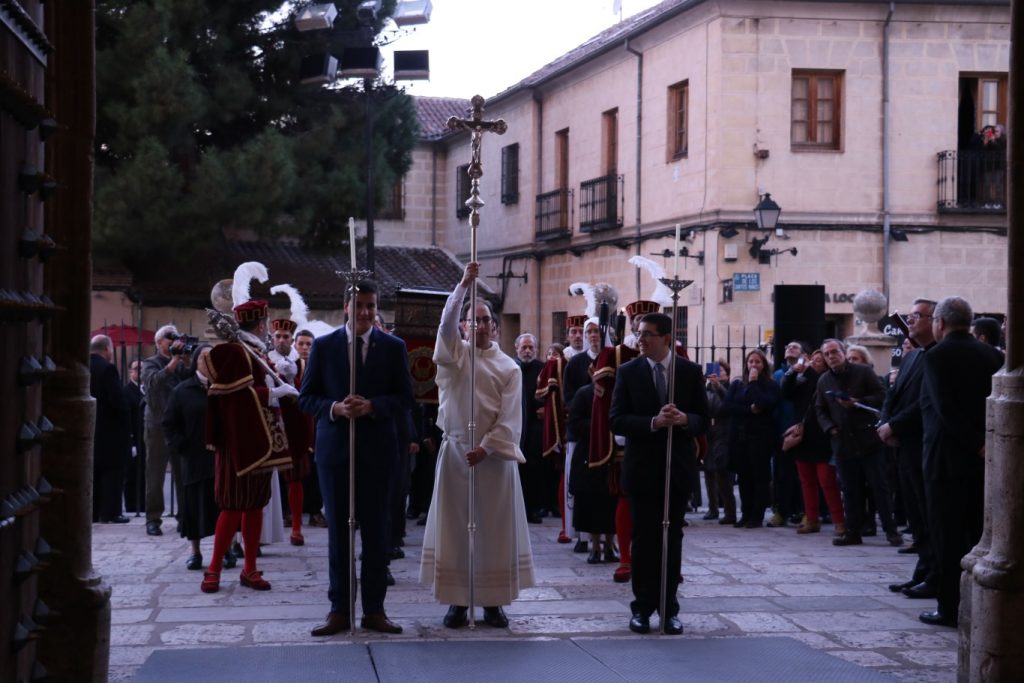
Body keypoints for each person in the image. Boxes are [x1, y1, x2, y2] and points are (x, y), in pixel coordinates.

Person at [420, 262, 535, 629]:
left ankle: (493, 602)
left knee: (493, 529)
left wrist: (486, 447)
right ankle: (456, 601)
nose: (481, 325)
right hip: (456, 454)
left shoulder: (509, 368)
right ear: (467, 326)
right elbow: (444, 326)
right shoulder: (457, 355)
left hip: (493, 459)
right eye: (475, 320)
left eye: (487, 320)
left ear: (496, 328)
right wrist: (463, 286)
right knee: (456, 527)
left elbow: (510, 417)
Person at [299, 280, 413, 636]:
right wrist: (333, 408)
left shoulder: (394, 348)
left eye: (371, 305)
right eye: (359, 305)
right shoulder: (324, 346)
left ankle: (375, 610)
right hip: (335, 453)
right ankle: (339, 610)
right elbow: (306, 397)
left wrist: (373, 406)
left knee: (377, 534)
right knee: (339, 534)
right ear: (346, 306)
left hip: (378, 453)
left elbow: (406, 397)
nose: (366, 312)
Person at [609, 312, 707, 635]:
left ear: (666, 338)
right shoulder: (628, 371)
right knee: (644, 540)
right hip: (642, 470)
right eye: (639, 334)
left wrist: (682, 420)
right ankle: (641, 608)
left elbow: (705, 419)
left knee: (672, 538)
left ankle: (669, 609)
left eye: (648, 334)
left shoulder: (690, 372)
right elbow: (617, 419)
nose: (641, 340)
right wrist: (653, 422)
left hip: (675, 469)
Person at [201, 293, 296, 595]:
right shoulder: (234, 351)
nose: (268, 327)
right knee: (232, 505)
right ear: (260, 323)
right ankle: (214, 568)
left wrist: (278, 383)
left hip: (263, 439)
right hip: (238, 442)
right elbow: (233, 398)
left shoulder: (256, 352)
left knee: (256, 505)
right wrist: (274, 394)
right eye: (266, 321)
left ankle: (250, 568)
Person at [918, 296, 1003, 627]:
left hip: (946, 459)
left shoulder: (936, 356)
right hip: (983, 459)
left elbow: (944, 409)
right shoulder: (992, 354)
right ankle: (979, 603)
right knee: (976, 531)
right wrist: (984, 443)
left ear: (939, 322)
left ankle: (949, 606)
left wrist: (972, 442)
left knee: (946, 535)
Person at [815, 338, 901, 547]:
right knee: (850, 490)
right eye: (827, 354)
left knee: (878, 487)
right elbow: (820, 409)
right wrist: (830, 428)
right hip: (842, 441)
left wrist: (858, 402)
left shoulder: (863, 372)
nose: (831, 357)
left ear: (843, 352)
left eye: (834, 352)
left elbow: (882, 395)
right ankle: (853, 531)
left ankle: (891, 530)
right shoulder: (824, 380)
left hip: (868, 440)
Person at [162, 344, 231, 571]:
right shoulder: (182, 391)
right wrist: (182, 446)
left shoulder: (225, 389)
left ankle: (226, 549)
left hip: (220, 456)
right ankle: (195, 552)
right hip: (194, 456)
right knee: (195, 504)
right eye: (205, 356)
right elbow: (170, 424)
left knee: (223, 504)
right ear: (196, 361)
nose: (210, 360)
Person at [141, 324, 191, 536]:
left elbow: (193, 380)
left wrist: (186, 360)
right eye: (169, 338)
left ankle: (185, 517)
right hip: (157, 425)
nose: (173, 341)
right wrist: (173, 361)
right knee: (155, 474)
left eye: (175, 337)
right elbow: (153, 383)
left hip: (179, 425)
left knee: (183, 473)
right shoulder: (149, 363)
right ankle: (153, 518)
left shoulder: (180, 364)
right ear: (158, 342)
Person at [724, 349, 780, 528]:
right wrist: (749, 410)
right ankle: (745, 513)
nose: (753, 365)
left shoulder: (770, 385)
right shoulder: (738, 384)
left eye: (757, 362)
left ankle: (757, 515)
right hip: (740, 436)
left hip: (760, 437)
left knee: (759, 477)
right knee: (744, 476)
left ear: (764, 365)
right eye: (751, 362)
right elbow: (728, 407)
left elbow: (765, 404)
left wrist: (755, 384)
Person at [269, 318, 312, 546]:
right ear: (273, 338)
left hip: (294, 425)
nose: (282, 340)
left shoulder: (302, 364)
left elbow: (305, 394)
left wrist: (292, 378)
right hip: (271, 424)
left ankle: (296, 527)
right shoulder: (265, 359)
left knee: (295, 479)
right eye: (279, 336)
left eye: (286, 337)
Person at [89, 334, 131, 524]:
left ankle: (93, 511)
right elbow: (118, 400)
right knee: (112, 473)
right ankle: (111, 512)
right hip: (110, 430)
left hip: (92, 428)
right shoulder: (107, 369)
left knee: (94, 472)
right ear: (107, 349)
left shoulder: (84, 365)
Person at [294, 329, 327, 529]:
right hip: (296, 428)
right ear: (295, 346)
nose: (305, 348)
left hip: (315, 427)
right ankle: (292, 512)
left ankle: (315, 511)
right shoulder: (288, 368)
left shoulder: (320, 368)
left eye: (309, 344)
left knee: (315, 472)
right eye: (301, 344)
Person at [514, 333, 546, 524]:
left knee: (533, 467)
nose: (527, 351)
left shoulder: (542, 369)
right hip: (514, 423)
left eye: (531, 347)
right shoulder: (510, 367)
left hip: (535, 424)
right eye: (524, 347)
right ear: (516, 348)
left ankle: (533, 508)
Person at [703, 360, 737, 525]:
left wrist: (719, 387)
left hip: (724, 430)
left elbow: (730, 405)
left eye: (722, 370)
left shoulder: (730, 387)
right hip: (709, 430)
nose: (718, 373)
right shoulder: (706, 389)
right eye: (716, 370)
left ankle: (730, 510)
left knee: (721, 468)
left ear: (727, 373)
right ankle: (712, 508)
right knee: (709, 469)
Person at [123, 359, 146, 514]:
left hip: (147, 438)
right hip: (134, 439)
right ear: (131, 372)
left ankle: (144, 506)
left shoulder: (148, 390)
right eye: (137, 369)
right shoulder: (126, 391)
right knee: (132, 476)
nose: (140, 372)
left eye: (143, 369)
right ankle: (132, 507)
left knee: (146, 474)